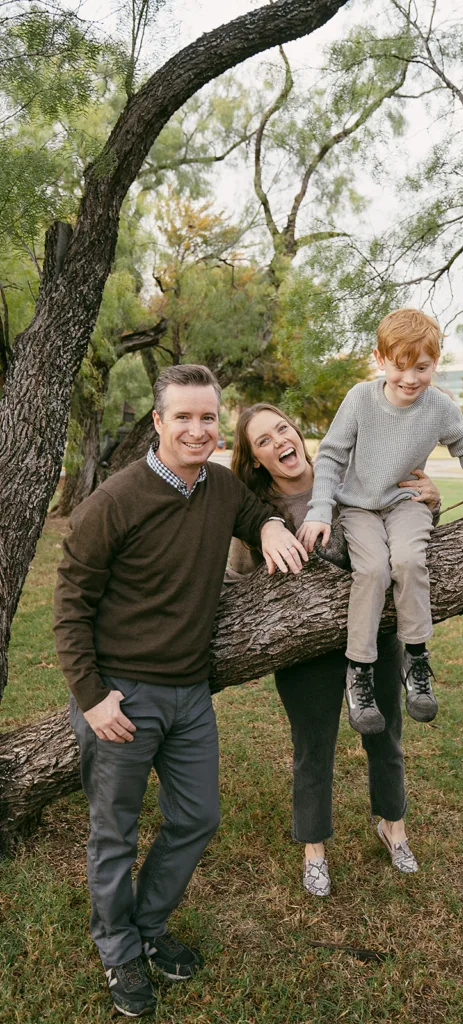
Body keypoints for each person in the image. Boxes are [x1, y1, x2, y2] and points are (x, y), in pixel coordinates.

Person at [53, 365, 307, 1019]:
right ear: (159, 422)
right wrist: (91, 696)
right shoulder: (114, 500)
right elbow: (70, 604)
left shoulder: (220, 487)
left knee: (196, 819)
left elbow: (253, 511)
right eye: (183, 417)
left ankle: (145, 925)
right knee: (114, 835)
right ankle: (119, 954)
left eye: (207, 418)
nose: (197, 429)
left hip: (191, 695)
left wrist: (271, 528)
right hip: (122, 698)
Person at [229, 403, 442, 897]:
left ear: (297, 432)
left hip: (375, 637)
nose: (279, 441)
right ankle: (315, 852)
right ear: (256, 458)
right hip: (303, 651)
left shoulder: (353, 473)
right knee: (313, 747)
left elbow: (409, 523)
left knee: (385, 735)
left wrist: (429, 499)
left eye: (283, 428)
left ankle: (393, 827)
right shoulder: (257, 513)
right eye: (263, 440)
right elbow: (236, 581)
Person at [298, 308, 463, 735]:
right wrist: (321, 509)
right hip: (358, 507)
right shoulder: (360, 398)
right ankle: (359, 670)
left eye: (422, 367)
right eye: (400, 366)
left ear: (436, 363)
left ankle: (416, 659)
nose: (411, 378)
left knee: (409, 561)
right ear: (380, 359)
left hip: (407, 501)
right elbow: (332, 455)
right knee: (373, 570)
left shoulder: (440, 407)